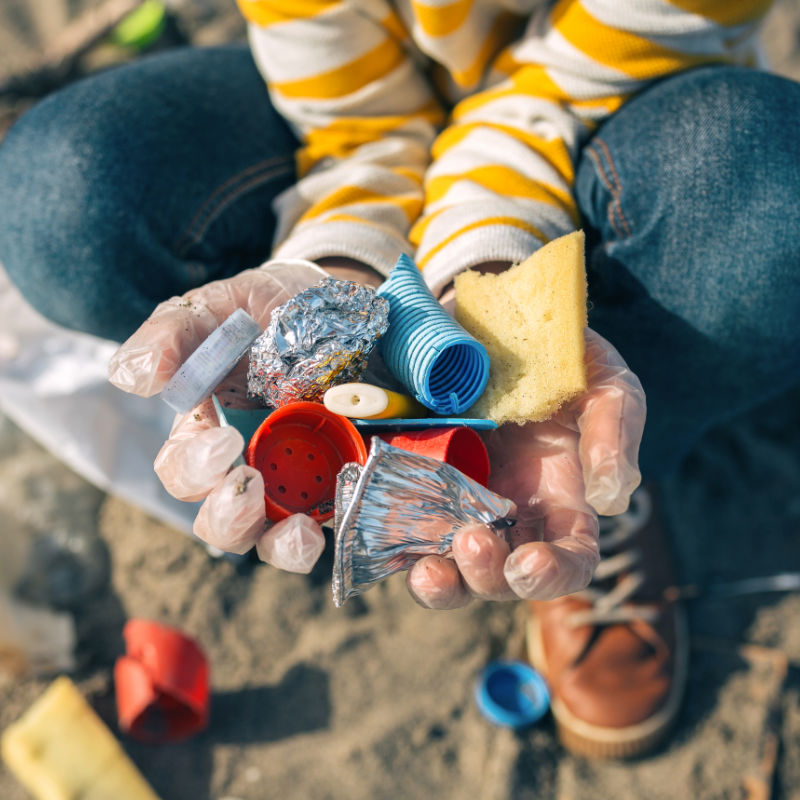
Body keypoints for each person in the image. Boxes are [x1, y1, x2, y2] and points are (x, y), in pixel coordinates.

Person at [0, 0, 797, 759]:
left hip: (616, 108)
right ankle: (293, 431)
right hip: (366, 107)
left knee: (769, 199)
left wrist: (497, 291)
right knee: (59, 197)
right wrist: (335, 271)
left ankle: (609, 474)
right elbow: (356, 123)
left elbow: (557, 93)